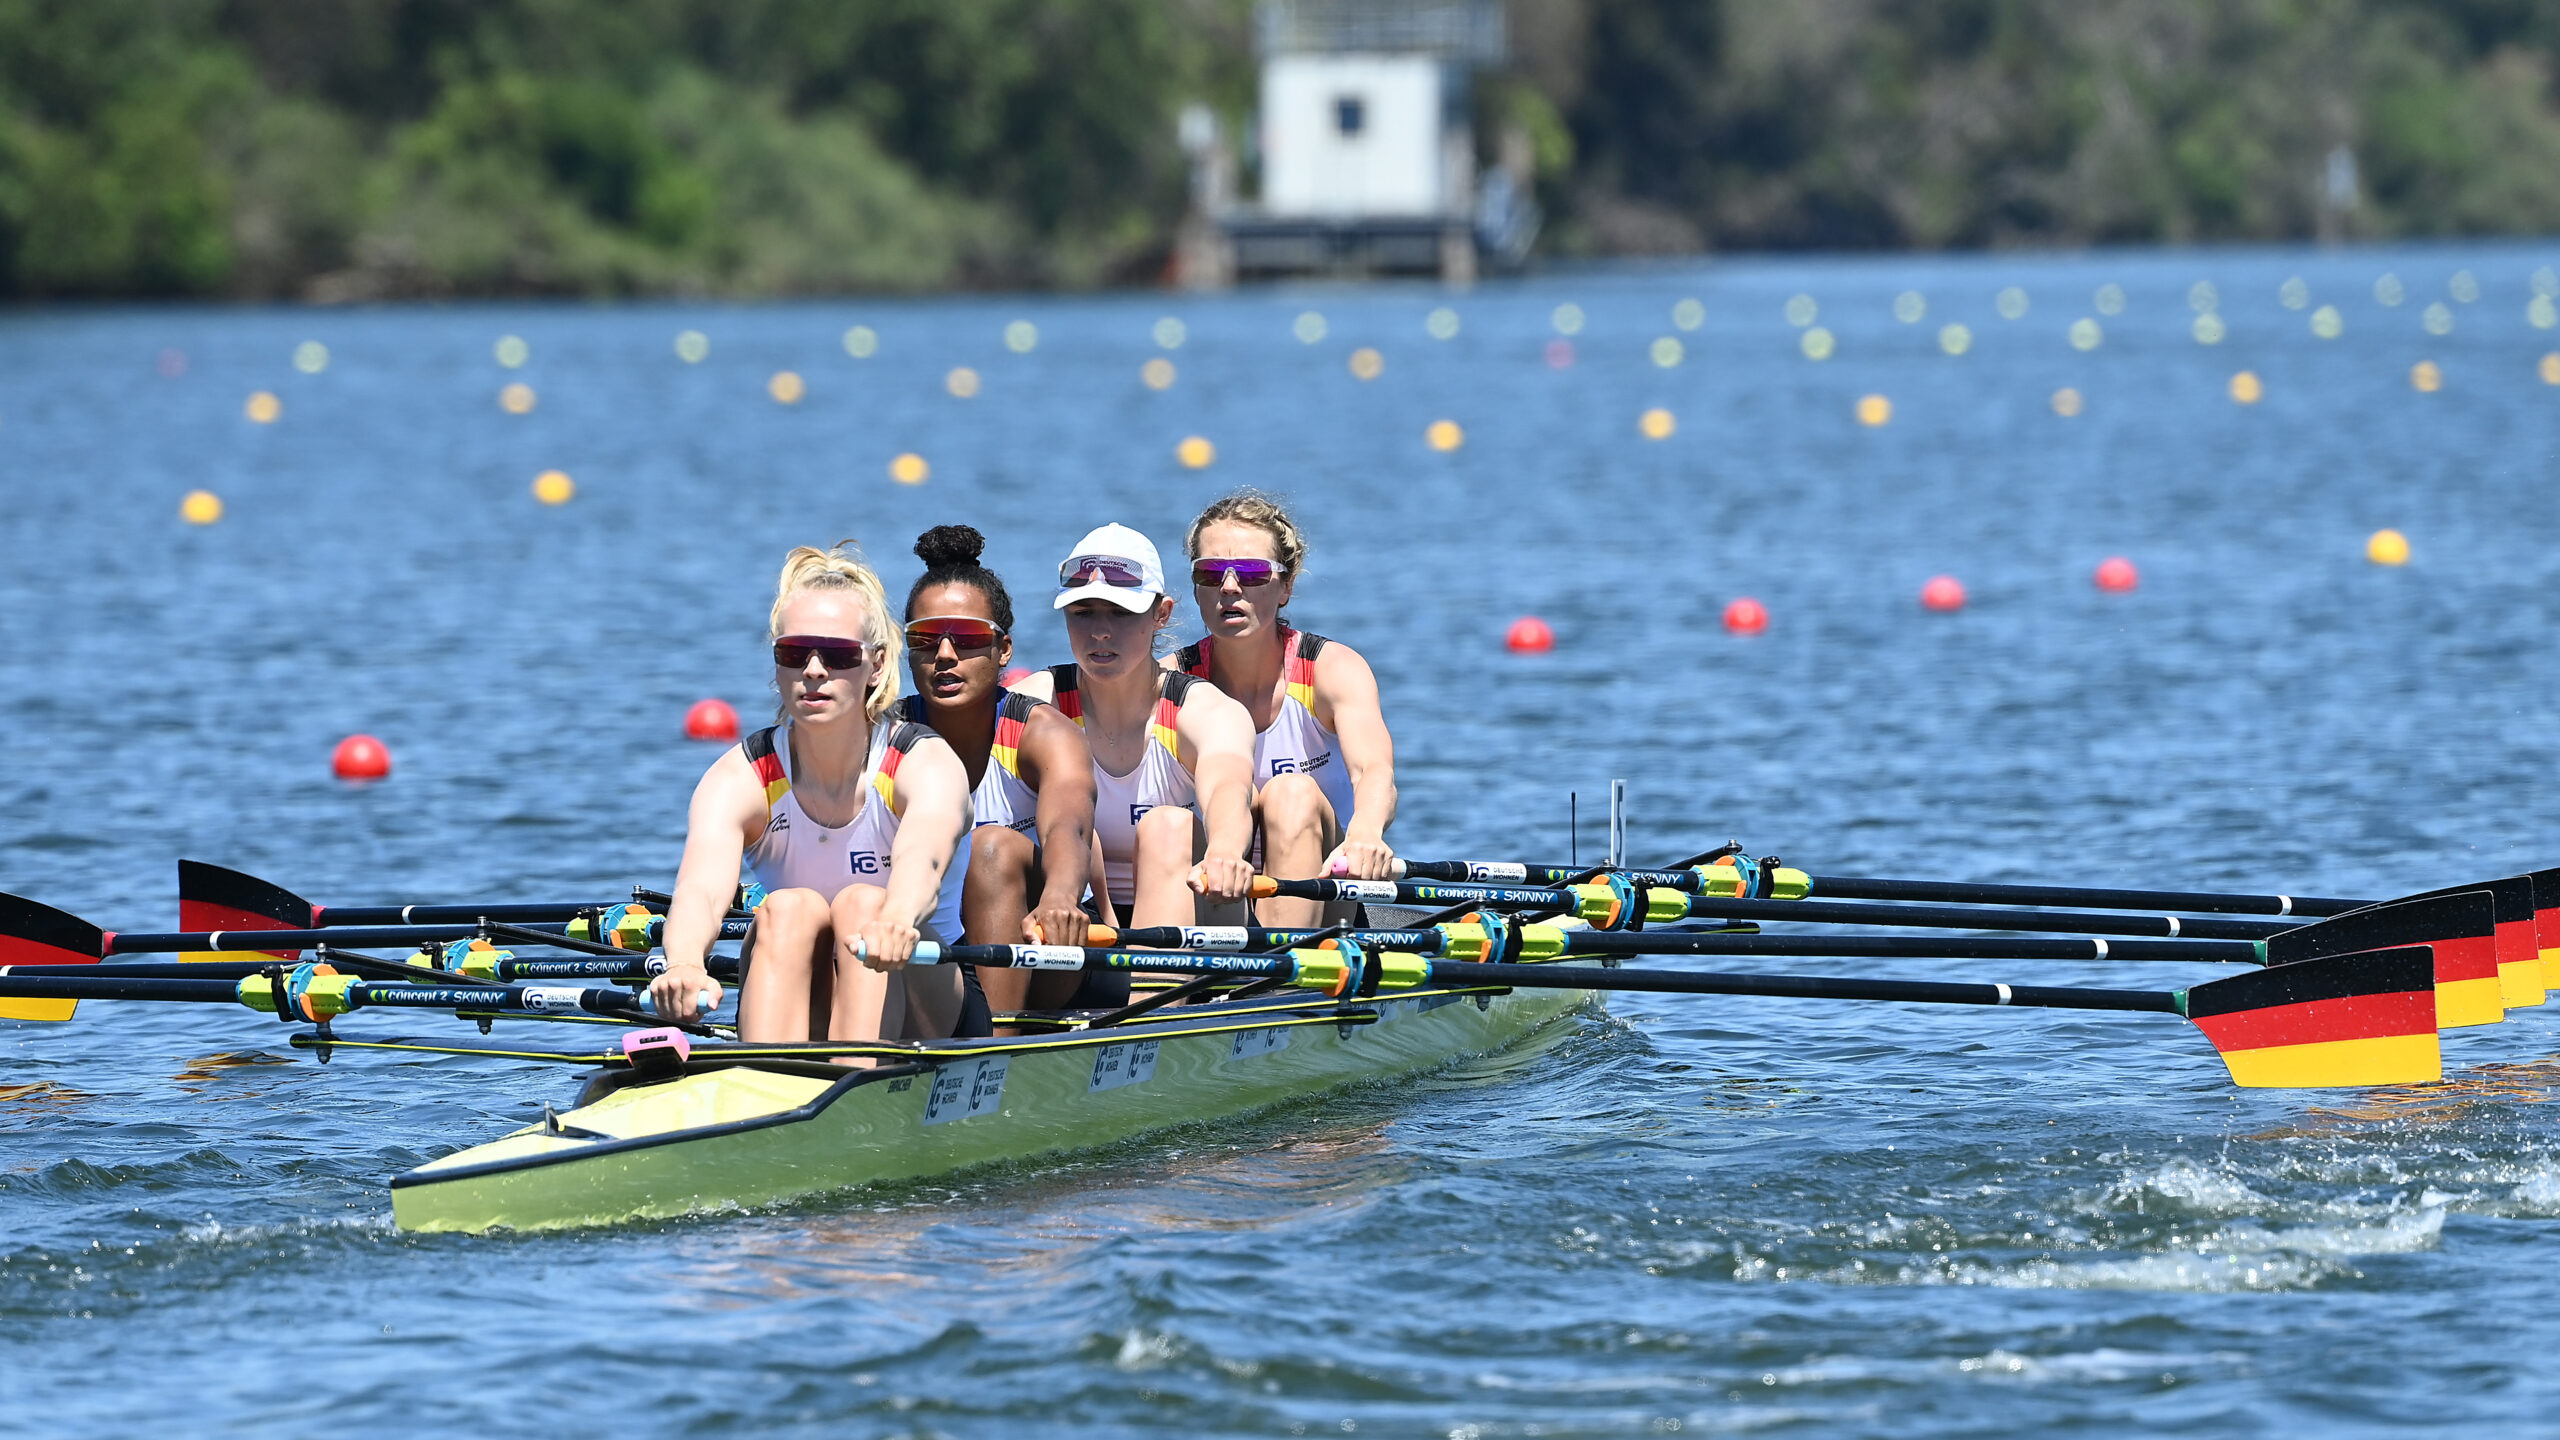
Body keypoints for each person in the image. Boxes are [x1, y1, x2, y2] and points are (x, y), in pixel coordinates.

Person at [650, 543, 974, 1051]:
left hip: (925, 995)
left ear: (877, 664)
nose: (815, 670)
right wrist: (685, 964)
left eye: (840, 655)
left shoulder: (923, 764)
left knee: (864, 904)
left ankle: (852, 1086)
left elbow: (922, 861)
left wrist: (896, 919)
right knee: (788, 909)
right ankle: (769, 1082)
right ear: (778, 663)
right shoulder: (740, 776)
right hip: (806, 989)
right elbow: (701, 891)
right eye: (795, 653)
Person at [1010, 523, 1256, 1002]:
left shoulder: (1205, 711)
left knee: (1169, 825)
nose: (1101, 631)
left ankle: (1144, 1027)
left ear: (1161, 614)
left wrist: (1225, 850)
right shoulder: (1031, 705)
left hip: (1198, 926)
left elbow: (1229, 785)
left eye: (1121, 612)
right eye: (1083, 612)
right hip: (1081, 925)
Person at [895, 524, 1098, 1021]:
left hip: (1055, 945)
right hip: (939, 947)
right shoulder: (886, 736)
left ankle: (992, 1049)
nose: (944, 655)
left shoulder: (1043, 735)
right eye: (925, 638)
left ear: (1002, 650)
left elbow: (1067, 827)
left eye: (965, 639)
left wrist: (1059, 896)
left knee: (990, 847)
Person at [1174, 490, 1397, 929]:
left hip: (1325, 894)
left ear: (1286, 587)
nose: (1230, 587)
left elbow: (1375, 773)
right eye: (1210, 572)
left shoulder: (1332, 670)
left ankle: (1282, 982)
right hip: (1209, 896)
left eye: (1254, 574)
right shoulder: (1167, 681)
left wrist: (1366, 834)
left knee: (1288, 794)